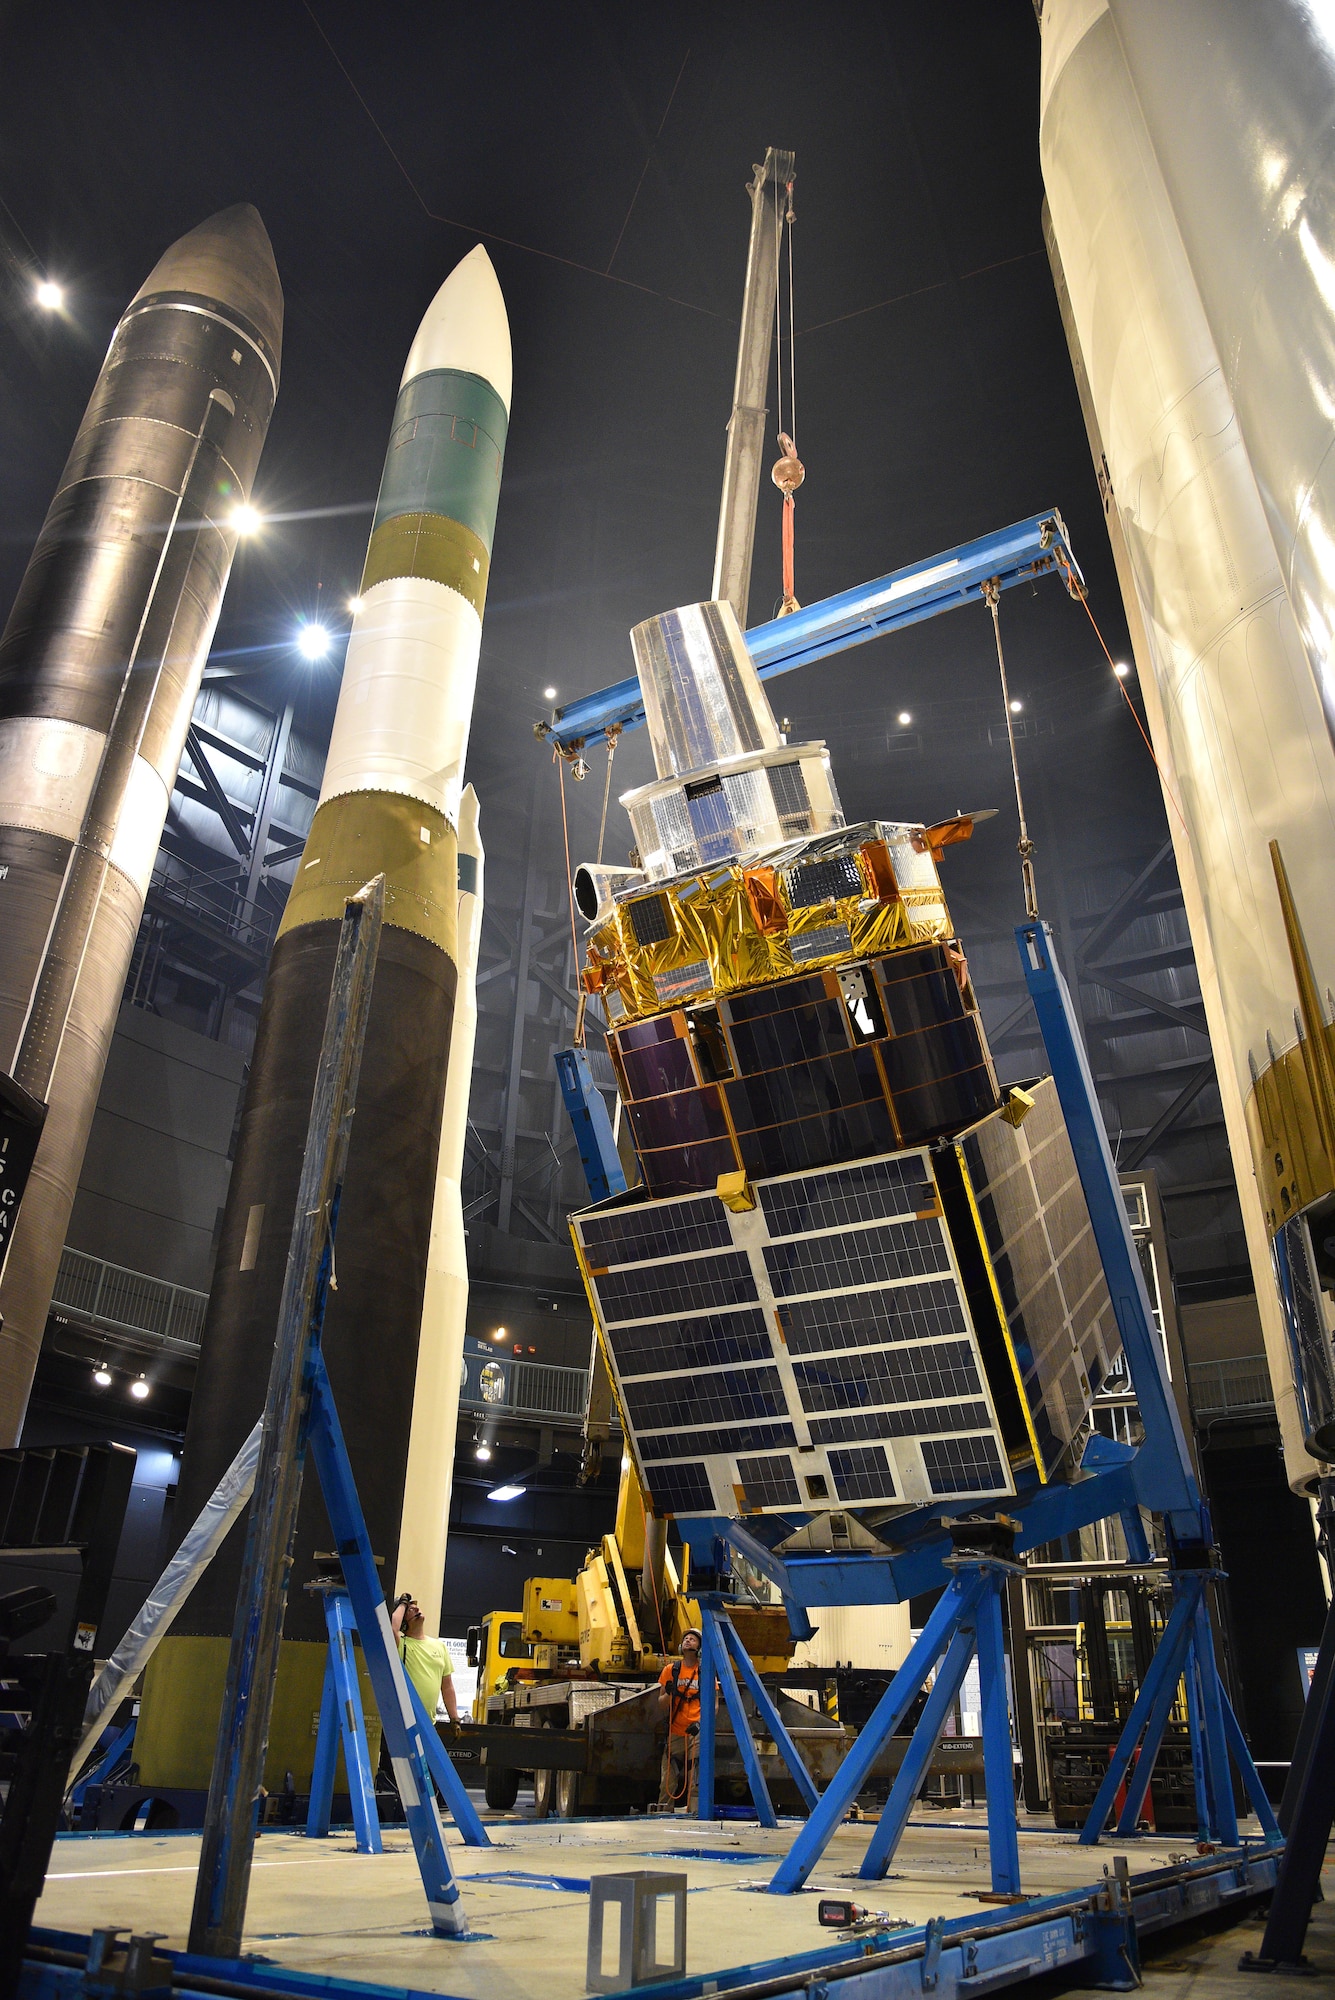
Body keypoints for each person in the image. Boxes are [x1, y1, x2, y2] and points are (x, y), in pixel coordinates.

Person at [391, 1592, 461, 1724]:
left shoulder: (440, 1646)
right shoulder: (400, 1644)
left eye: (416, 1607)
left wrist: (454, 1718)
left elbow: (447, 1686)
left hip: (429, 1723)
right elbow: (393, 1629)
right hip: (404, 1721)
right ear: (403, 1623)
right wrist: (402, 1603)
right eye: (410, 1610)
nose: (417, 1609)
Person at [656, 1627, 703, 1809]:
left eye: (693, 1639)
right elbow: (661, 1704)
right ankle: (663, 1812)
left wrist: (700, 1724)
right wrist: (669, 1694)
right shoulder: (671, 1670)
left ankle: (695, 1813)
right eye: (686, 1638)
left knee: (695, 1778)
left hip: (695, 1731)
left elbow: (713, 1704)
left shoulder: (704, 1672)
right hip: (675, 1730)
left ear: (699, 1647)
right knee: (668, 1779)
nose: (688, 1641)